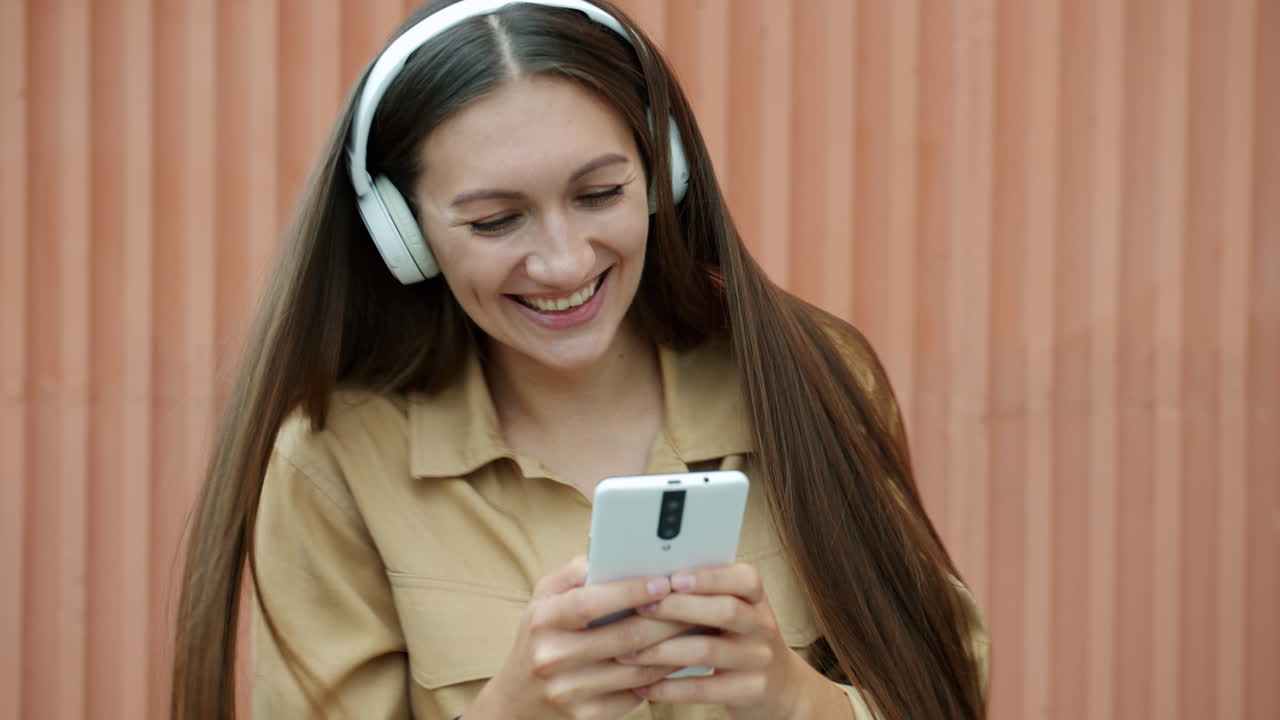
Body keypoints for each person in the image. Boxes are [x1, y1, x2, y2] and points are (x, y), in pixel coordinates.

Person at [170, 1, 990, 718]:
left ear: (661, 173)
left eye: (599, 194)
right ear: (404, 236)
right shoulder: (334, 462)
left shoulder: (813, 381)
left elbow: (948, 690)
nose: (563, 264)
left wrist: (790, 697)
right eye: (496, 221)